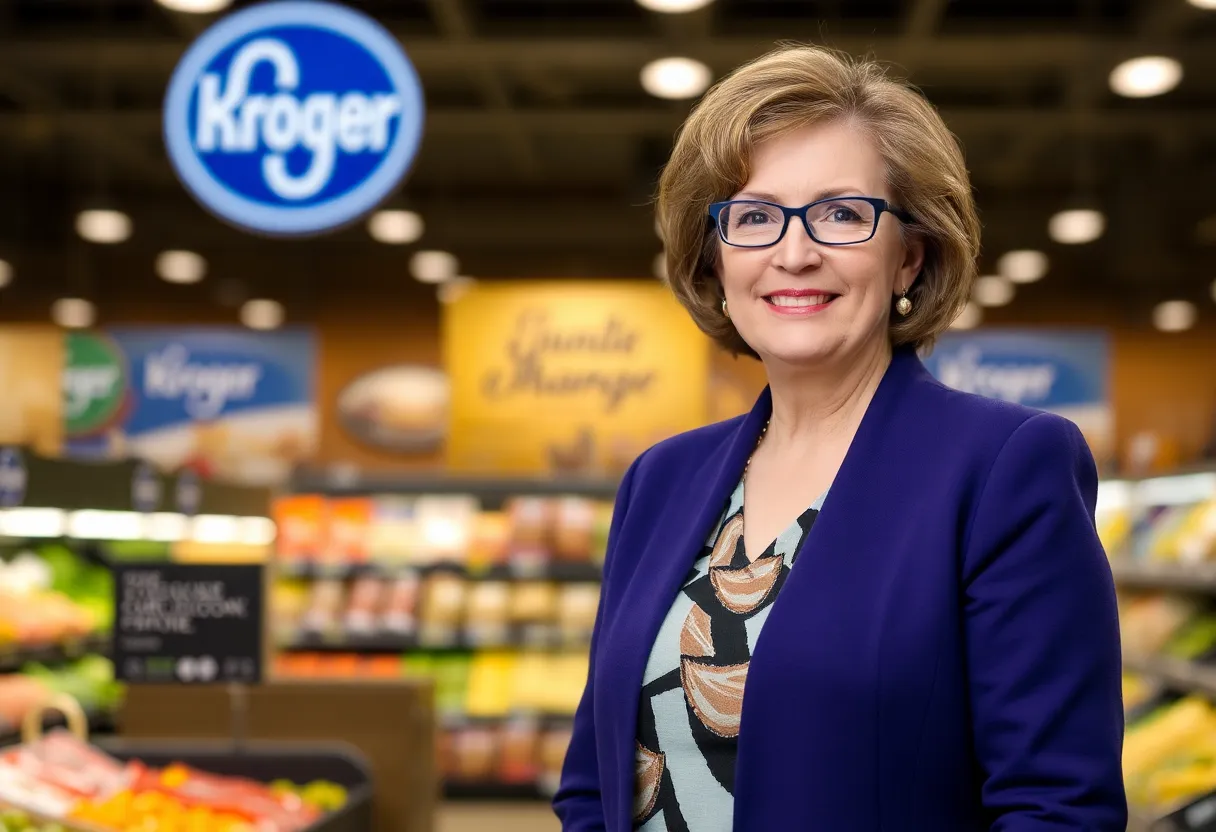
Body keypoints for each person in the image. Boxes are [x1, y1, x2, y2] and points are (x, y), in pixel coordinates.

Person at [553, 45, 1126, 831]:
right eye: (753, 216)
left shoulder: (1003, 468)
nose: (794, 252)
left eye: (841, 214)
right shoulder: (661, 479)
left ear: (909, 258)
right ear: (715, 259)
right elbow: (593, 780)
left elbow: (1057, 807)